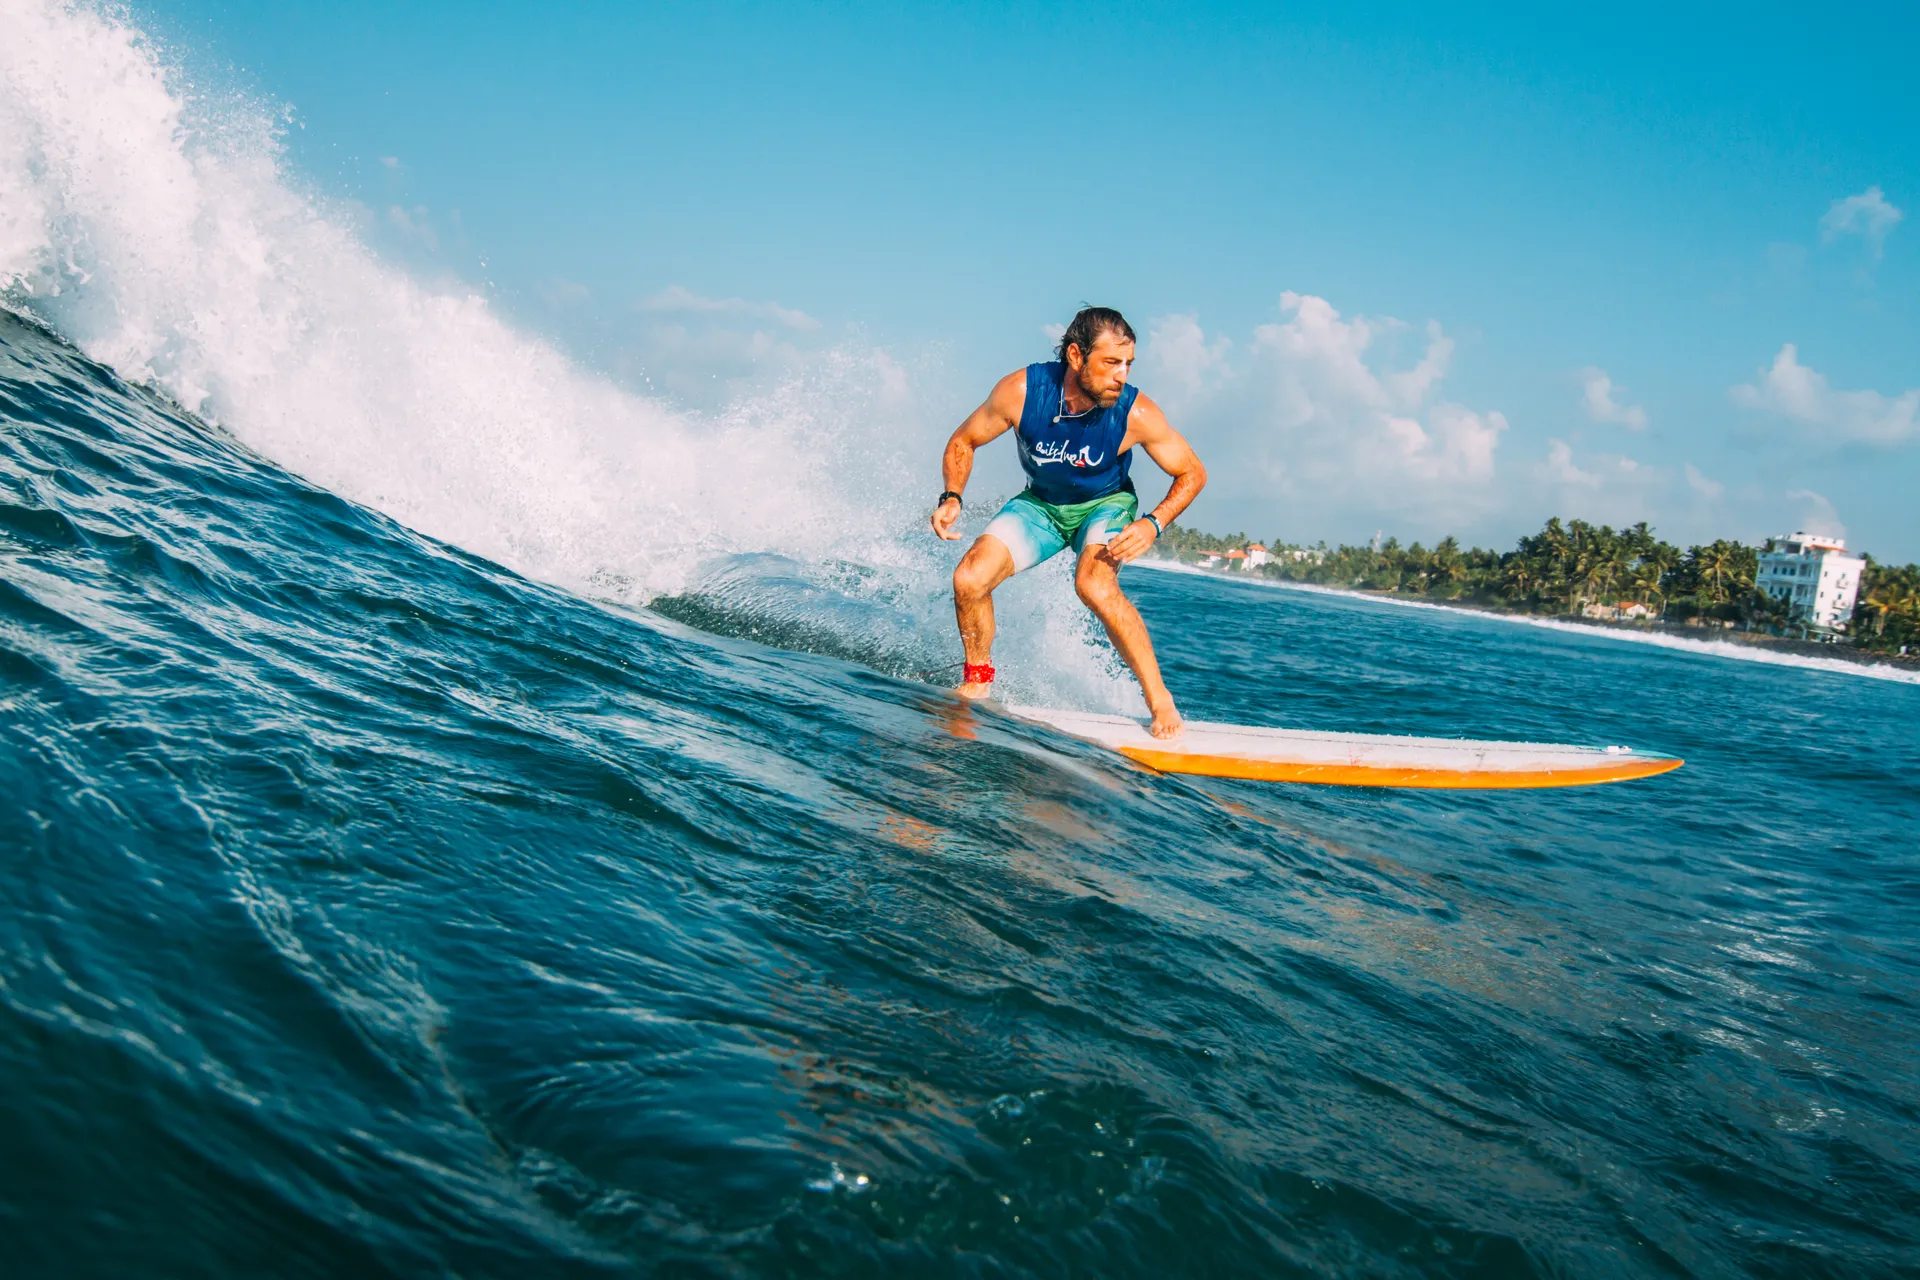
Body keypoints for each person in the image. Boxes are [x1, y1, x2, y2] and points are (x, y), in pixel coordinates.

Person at [930, 306, 1207, 739]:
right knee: (969, 579)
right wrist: (952, 496)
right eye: (1111, 362)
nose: (1122, 375)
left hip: (1105, 504)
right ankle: (979, 679)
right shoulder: (1022, 392)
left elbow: (1192, 473)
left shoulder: (1136, 413)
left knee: (1094, 585)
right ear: (1076, 356)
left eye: (1128, 364)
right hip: (1041, 505)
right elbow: (964, 440)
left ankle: (1160, 700)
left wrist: (1153, 523)